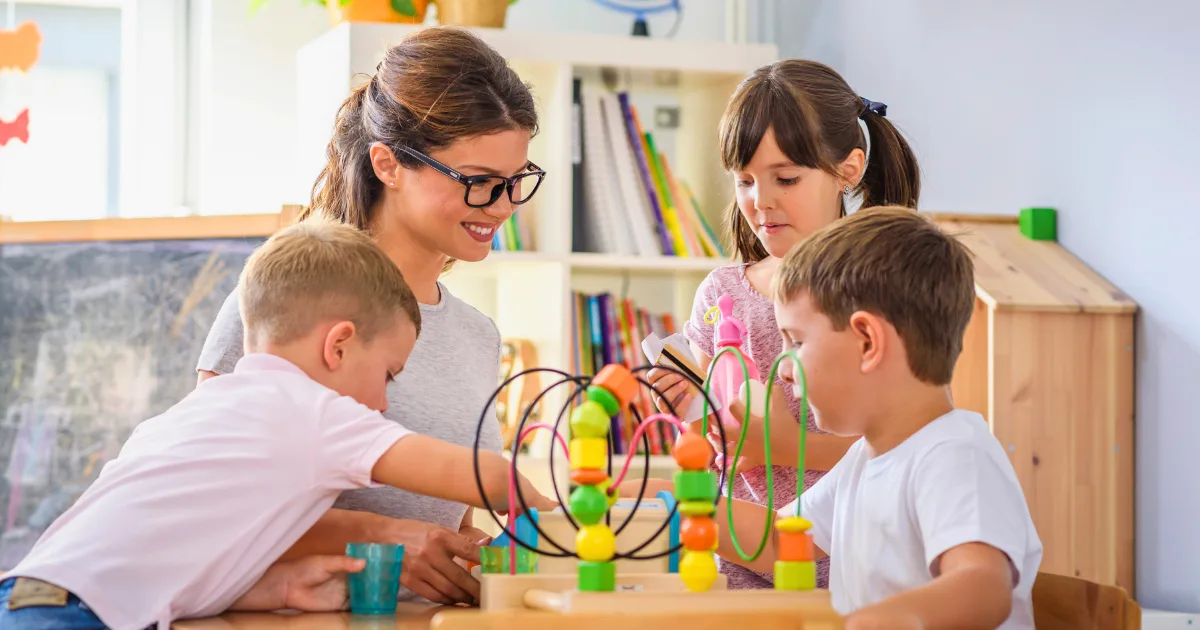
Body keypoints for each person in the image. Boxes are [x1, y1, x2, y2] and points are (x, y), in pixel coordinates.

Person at [0, 221, 556, 630]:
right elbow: (477, 473)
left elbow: (169, 554)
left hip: (31, 596)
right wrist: (565, 516)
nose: (384, 400)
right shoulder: (314, 412)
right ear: (338, 345)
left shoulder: (196, 415)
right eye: (388, 374)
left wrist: (279, 587)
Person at [196, 27, 544, 605]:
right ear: (388, 164)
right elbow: (208, 499)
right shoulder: (288, 301)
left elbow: (443, 524)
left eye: (516, 181)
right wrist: (385, 538)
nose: (503, 206)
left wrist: (467, 551)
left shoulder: (478, 337)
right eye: (480, 183)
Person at [644, 59, 921, 589]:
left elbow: (907, 449)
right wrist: (690, 410)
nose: (760, 201)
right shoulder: (723, 294)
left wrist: (785, 444)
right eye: (744, 180)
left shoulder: (888, 291)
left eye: (786, 178)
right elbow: (720, 440)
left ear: (849, 170)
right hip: (735, 571)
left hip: (851, 582)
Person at [717, 207, 1043, 629]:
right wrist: (677, 503)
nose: (783, 367)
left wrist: (891, 618)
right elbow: (781, 539)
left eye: (796, 342)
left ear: (868, 341)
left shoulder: (954, 455)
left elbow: (982, 584)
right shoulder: (864, 458)